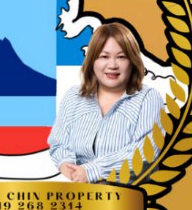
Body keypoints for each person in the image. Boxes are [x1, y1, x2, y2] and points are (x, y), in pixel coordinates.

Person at [50, 20, 164, 182]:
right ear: (92, 61)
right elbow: (59, 143)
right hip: (80, 192)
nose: (112, 65)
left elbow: (145, 152)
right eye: (104, 56)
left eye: (121, 57)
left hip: (131, 194)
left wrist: (91, 171)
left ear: (132, 61)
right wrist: (67, 165)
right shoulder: (73, 96)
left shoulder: (148, 98)